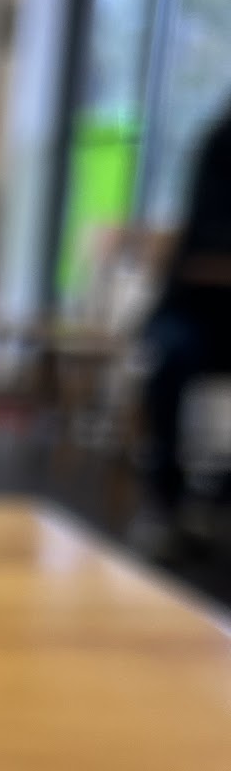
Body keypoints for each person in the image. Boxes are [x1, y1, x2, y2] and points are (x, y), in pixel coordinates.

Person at [131, 99, 231, 562]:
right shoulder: (221, 142)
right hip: (193, 310)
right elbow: (203, 248)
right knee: (169, 362)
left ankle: (218, 498)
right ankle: (165, 501)